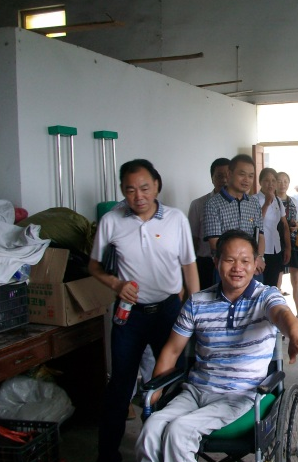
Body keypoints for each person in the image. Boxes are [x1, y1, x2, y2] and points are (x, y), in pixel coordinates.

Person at [135, 229, 298, 462]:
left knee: (179, 432)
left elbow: (281, 314)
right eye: (230, 260)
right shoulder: (197, 303)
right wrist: (155, 390)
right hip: (196, 391)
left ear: (256, 264)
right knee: (151, 429)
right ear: (216, 261)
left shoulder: (265, 296)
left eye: (245, 261)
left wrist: (296, 333)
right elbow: (172, 350)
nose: (238, 267)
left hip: (240, 395)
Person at [89, 159, 200, 462]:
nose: (138, 196)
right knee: (121, 384)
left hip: (168, 311)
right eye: (130, 190)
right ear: (122, 191)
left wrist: (196, 311)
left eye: (145, 188)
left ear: (157, 186)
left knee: (172, 381)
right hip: (130, 315)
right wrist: (116, 284)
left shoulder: (175, 219)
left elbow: (189, 266)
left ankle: (167, 447)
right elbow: (94, 266)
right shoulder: (111, 221)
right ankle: (107, 454)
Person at [203, 154, 265, 280]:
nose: (246, 180)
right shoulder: (213, 204)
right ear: (229, 174)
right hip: (227, 269)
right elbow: (215, 242)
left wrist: (259, 257)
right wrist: (239, 260)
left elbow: (260, 235)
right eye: (242, 174)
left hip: (252, 267)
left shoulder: (253, 203)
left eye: (251, 176)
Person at [188, 157, 230, 290]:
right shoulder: (198, 204)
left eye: (227, 176)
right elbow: (193, 238)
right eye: (219, 176)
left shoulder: (240, 204)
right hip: (206, 263)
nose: (224, 180)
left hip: (232, 263)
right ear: (212, 178)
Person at [276, 171, 298, 327]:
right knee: (277, 281)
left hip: (294, 242)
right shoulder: (271, 201)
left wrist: (296, 226)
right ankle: (277, 315)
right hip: (276, 243)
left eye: (285, 181)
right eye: (279, 181)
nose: (282, 184)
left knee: (296, 280)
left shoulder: (294, 201)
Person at [255, 167, 291, 287]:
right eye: (266, 180)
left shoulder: (278, 201)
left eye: (273, 181)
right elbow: (255, 223)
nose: (270, 184)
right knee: (259, 285)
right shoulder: (253, 200)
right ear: (260, 182)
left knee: (273, 285)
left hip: (276, 248)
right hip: (260, 250)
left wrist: (288, 248)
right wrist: (266, 203)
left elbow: (284, 225)